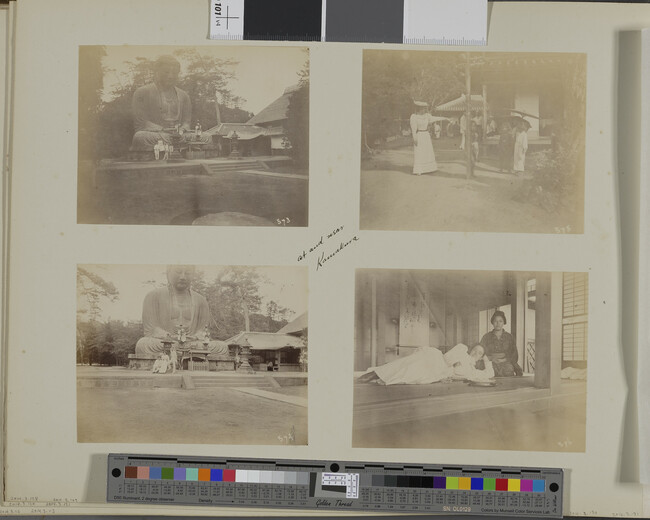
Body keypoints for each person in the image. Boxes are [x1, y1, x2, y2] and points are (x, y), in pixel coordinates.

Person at [134, 265, 229, 359]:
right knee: (143, 344)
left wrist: (195, 337)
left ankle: (179, 353)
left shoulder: (201, 300)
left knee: (222, 347)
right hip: (166, 342)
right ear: (168, 273)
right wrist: (169, 337)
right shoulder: (153, 296)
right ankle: (189, 354)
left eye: (187, 273)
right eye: (178, 272)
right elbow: (151, 329)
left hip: (192, 343)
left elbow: (204, 330)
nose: (183, 277)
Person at [130, 55, 212, 152]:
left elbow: (186, 122)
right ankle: (183, 147)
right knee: (140, 137)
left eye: (174, 73)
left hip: (179, 135)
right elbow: (142, 123)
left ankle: (176, 145)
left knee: (207, 137)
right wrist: (163, 129)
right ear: (156, 72)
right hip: (157, 133)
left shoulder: (184, 95)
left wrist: (182, 130)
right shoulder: (142, 92)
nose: (171, 76)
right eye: (166, 72)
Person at [357, 343, 494, 386]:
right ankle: (376, 373)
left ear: (481, 357)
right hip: (437, 360)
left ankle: (380, 374)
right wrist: (454, 362)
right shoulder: (462, 350)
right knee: (412, 363)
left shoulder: (473, 371)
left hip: (438, 374)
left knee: (411, 373)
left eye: (479, 353)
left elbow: (489, 374)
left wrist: (487, 360)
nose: (475, 352)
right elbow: (447, 358)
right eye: (475, 349)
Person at [479, 310, 523, 377]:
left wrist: (504, 360)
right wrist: (491, 358)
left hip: (506, 362)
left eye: (500, 321)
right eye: (495, 321)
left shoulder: (509, 337)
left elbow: (514, 354)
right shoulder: (486, 337)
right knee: (489, 371)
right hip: (490, 361)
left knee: (508, 370)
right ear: (492, 322)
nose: (498, 323)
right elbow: (480, 352)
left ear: (503, 323)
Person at [409, 101, 440, 175]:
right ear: (419, 108)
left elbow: (435, 118)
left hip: (426, 135)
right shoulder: (414, 116)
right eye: (423, 108)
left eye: (425, 108)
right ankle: (419, 170)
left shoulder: (427, 115)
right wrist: (415, 138)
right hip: (419, 135)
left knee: (428, 152)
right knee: (419, 152)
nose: (424, 110)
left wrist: (445, 118)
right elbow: (413, 129)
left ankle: (430, 168)